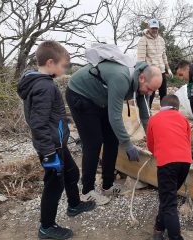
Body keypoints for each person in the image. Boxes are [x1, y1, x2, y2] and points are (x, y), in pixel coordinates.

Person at [17, 41, 96, 240]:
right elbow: (38, 123)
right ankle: (46, 226)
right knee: (54, 184)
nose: (64, 69)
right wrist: (48, 153)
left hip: (57, 143)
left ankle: (74, 205)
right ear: (50, 62)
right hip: (50, 147)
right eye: (63, 65)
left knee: (71, 172)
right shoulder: (43, 86)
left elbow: (50, 115)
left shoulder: (42, 81)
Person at [67, 54, 162, 205]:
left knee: (112, 140)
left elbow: (145, 116)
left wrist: (155, 142)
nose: (150, 93)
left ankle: (107, 185)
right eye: (149, 89)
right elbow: (115, 117)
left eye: (153, 91)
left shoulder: (143, 85)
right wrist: (128, 144)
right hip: (81, 94)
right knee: (93, 142)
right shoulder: (121, 78)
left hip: (101, 99)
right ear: (142, 78)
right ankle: (87, 191)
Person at [146, 95, 192, 240]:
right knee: (168, 199)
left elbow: (150, 145)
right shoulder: (183, 119)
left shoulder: (154, 119)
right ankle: (159, 227)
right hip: (185, 162)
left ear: (161, 106)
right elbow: (187, 140)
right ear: (177, 108)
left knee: (169, 204)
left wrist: (159, 152)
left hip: (167, 163)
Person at [137, 18, 173, 108]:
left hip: (161, 71)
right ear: (148, 27)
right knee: (150, 93)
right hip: (151, 72)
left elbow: (164, 55)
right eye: (152, 28)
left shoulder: (161, 40)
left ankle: (163, 113)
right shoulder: (143, 40)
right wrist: (142, 72)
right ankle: (147, 113)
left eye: (156, 28)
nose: (154, 30)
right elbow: (141, 58)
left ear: (158, 28)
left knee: (163, 94)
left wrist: (168, 68)